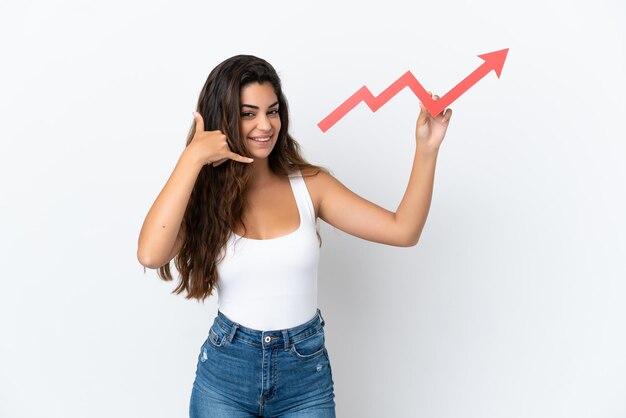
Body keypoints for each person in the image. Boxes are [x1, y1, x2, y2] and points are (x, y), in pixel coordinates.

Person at [137, 54, 452, 417]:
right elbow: (150, 254)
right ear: (222, 120)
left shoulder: (311, 186)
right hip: (226, 374)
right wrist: (192, 158)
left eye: (272, 111)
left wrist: (427, 149)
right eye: (248, 113)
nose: (265, 125)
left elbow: (403, 229)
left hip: (304, 376)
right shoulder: (204, 196)